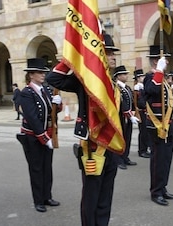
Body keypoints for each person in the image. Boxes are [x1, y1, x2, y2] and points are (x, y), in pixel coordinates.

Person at [46, 34, 120, 226]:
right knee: (91, 196)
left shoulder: (113, 84)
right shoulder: (85, 81)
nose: (113, 57)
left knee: (106, 194)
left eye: (114, 53)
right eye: (109, 53)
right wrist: (71, 59)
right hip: (93, 147)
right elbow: (53, 78)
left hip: (111, 146)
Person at [18, 58, 62, 212]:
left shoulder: (47, 90)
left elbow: (53, 112)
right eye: (39, 72)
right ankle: (38, 200)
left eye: (44, 72)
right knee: (36, 169)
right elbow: (32, 118)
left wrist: (59, 103)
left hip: (48, 135)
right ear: (31, 75)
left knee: (47, 167)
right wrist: (44, 138)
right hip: (33, 137)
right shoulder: (26, 93)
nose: (43, 75)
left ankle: (47, 196)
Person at [144, 45, 173, 206]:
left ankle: (163, 187)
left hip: (168, 125)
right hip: (156, 126)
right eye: (165, 60)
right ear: (156, 61)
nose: (168, 62)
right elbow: (151, 91)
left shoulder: (163, 79)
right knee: (158, 160)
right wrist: (159, 71)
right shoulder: (150, 77)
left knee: (167, 159)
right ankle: (156, 191)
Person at [113, 65, 138, 169]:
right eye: (124, 74)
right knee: (120, 138)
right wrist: (128, 113)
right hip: (120, 117)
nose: (126, 76)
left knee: (127, 137)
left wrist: (132, 113)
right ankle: (118, 159)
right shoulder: (116, 87)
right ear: (118, 76)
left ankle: (125, 156)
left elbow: (131, 101)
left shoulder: (126, 87)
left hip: (128, 116)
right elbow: (121, 103)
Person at [133, 69, 151, 158]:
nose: (143, 78)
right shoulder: (137, 88)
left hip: (146, 111)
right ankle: (142, 150)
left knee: (146, 132)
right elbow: (140, 102)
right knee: (143, 132)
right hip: (141, 111)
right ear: (138, 78)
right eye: (141, 77)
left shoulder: (143, 87)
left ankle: (145, 148)